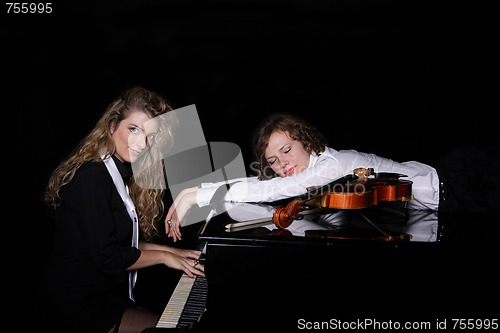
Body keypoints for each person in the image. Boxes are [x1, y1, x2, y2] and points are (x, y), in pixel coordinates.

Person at [165, 113, 499, 241]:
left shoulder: (330, 166)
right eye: (272, 159)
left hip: (462, 186)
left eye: (286, 149)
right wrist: (198, 190)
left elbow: (282, 188)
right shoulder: (317, 168)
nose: (281, 163)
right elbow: (266, 186)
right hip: (443, 177)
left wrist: (198, 195)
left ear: (306, 141)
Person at [38, 87, 204, 333]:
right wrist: (165, 258)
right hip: (75, 301)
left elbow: (124, 242)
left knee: (185, 323)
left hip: (104, 296)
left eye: (151, 136)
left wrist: (174, 252)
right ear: (112, 126)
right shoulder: (91, 177)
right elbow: (107, 256)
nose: (142, 143)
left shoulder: (119, 175)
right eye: (134, 129)